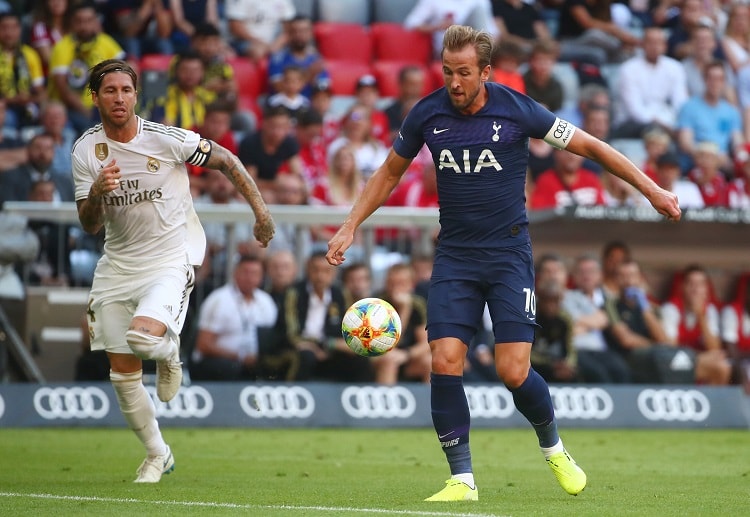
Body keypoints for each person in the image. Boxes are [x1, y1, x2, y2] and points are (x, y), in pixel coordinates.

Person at [326, 25, 680, 502]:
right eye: (448, 72)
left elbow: (591, 147)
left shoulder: (517, 108)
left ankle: (554, 448)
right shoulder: (427, 114)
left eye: (465, 73)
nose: (454, 82)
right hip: (454, 255)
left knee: (513, 370)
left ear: (486, 72)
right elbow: (390, 171)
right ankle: (461, 479)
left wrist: (652, 190)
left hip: (509, 254)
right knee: (445, 358)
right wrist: (350, 225)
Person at [72, 59, 274, 483]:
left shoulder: (166, 139)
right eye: (110, 91)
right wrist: (96, 193)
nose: (119, 98)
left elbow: (228, 161)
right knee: (123, 374)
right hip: (117, 263)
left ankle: (168, 353)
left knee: (143, 337)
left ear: (136, 94)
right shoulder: (86, 151)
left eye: (126, 90)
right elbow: (90, 224)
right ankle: (157, 454)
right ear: (95, 97)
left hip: (169, 257)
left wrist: (261, 213)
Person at [191, 255, 277, 381]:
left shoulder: (266, 302)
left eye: (255, 273)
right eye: (245, 272)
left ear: (262, 276)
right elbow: (203, 345)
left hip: (254, 361)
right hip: (218, 362)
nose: (250, 278)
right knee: (231, 367)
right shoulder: (218, 300)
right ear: (235, 273)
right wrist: (240, 357)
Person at [48, 2, 125, 135]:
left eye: (89, 21)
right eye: (79, 21)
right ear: (72, 23)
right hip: (71, 109)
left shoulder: (106, 42)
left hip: (102, 107)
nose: (84, 26)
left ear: (96, 22)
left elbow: (126, 71)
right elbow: (63, 89)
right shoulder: (62, 47)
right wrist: (89, 114)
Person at [371, 263, 431, 385]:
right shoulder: (378, 303)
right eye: (392, 284)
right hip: (380, 355)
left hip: (405, 356)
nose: (395, 289)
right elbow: (388, 344)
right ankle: (386, 402)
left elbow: (426, 344)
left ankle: (430, 403)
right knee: (390, 360)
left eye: (401, 284)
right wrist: (404, 310)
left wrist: (407, 354)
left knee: (430, 361)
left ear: (411, 285)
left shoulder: (418, 304)